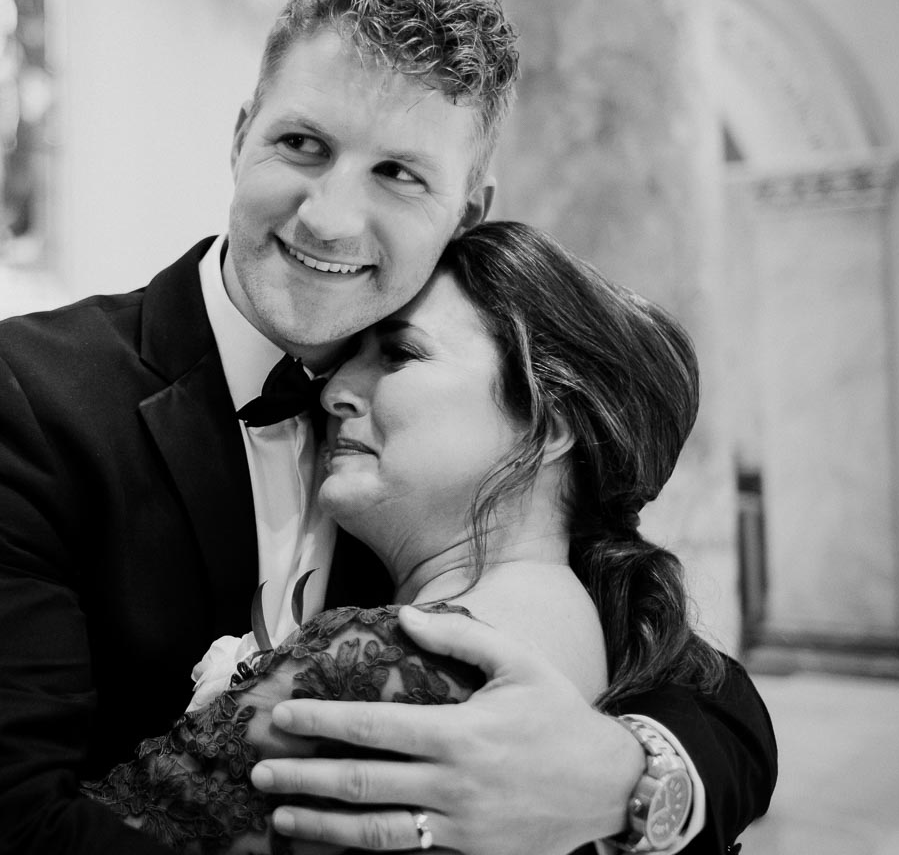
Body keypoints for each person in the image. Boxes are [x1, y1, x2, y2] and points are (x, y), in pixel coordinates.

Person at [0, 0, 776, 854]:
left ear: (469, 212)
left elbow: (716, 703)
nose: (329, 216)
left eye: (399, 174)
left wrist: (628, 781)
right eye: (303, 145)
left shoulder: (473, 437)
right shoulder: (17, 397)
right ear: (241, 133)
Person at [80, 220, 733, 855]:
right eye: (347, 357)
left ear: (551, 417)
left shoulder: (383, 660)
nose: (334, 390)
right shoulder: (585, 623)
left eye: (398, 353)